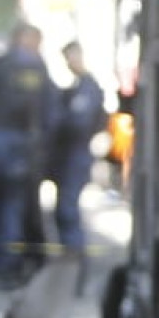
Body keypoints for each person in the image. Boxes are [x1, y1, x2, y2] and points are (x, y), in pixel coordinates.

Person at [0, 23, 55, 288]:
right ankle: (12, 265)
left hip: (10, 143)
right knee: (14, 208)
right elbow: (48, 110)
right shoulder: (33, 67)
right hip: (19, 147)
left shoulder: (4, 63)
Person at [48, 41, 108, 264]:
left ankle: (74, 255)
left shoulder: (88, 87)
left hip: (77, 153)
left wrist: (58, 119)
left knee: (67, 206)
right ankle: (70, 252)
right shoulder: (78, 86)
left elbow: (79, 122)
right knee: (64, 205)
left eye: (70, 57)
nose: (68, 64)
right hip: (69, 154)